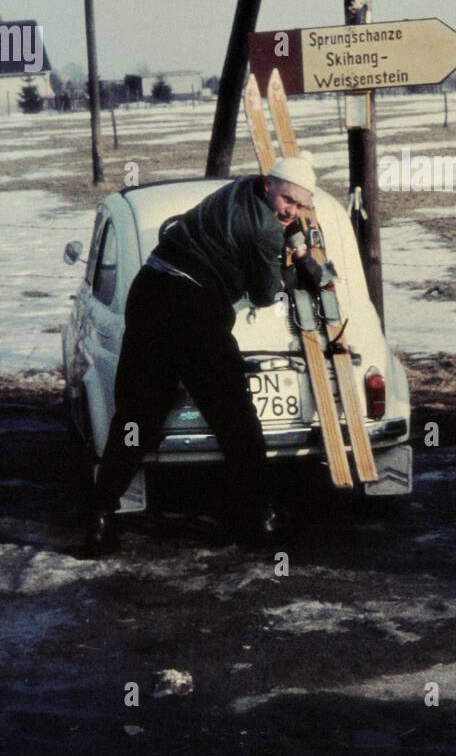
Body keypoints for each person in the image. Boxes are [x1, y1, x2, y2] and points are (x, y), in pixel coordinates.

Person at [83, 155, 322, 556]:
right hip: (193, 309)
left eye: (299, 206)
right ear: (268, 187)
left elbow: (267, 224)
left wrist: (290, 234)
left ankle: (99, 517)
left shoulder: (240, 187)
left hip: (150, 292)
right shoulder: (266, 230)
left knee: (137, 416)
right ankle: (259, 518)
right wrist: (295, 271)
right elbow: (265, 295)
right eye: (287, 200)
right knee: (235, 417)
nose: (291, 211)